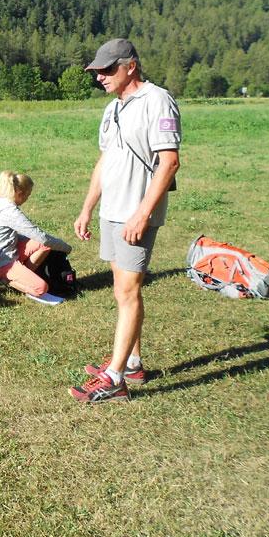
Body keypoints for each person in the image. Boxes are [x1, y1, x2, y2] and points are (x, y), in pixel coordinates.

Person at [70, 38, 181, 404]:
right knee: (123, 291)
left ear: (130, 66)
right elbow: (104, 162)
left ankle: (115, 378)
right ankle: (132, 362)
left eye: (107, 70)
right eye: (97, 72)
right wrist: (87, 208)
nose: (100, 77)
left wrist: (143, 213)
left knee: (128, 292)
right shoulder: (111, 109)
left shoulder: (157, 101)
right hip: (112, 212)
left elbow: (169, 162)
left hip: (136, 215)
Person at [0, 171, 73, 306]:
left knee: (43, 246)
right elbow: (41, 236)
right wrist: (65, 247)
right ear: (19, 193)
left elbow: (40, 241)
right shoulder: (10, 212)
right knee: (41, 288)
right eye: (28, 195)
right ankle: (6, 280)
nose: (27, 199)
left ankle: (20, 276)